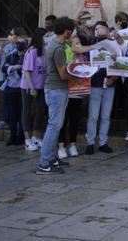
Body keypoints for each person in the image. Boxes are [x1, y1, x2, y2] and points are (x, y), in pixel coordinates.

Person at [36, 16, 75, 175]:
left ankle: (52, 158)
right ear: (66, 31)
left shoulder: (55, 42)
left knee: (56, 125)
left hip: (55, 90)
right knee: (53, 126)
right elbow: (63, 75)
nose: (71, 34)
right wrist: (79, 75)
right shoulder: (58, 49)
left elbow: (75, 48)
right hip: (56, 90)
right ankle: (44, 163)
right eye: (70, 31)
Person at [85, 22, 118, 155]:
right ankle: (90, 142)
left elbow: (120, 63)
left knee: (106, 115)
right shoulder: (91, 44)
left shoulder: (113, 45)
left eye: (100, 28)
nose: (98, 30)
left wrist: (113, 78)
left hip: (109, 84)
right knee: (93, 115)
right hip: (95, 83)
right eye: (96, 28)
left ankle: (103, 142)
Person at [21, 28, 48, 151]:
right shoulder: (31, 52)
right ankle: (27, 140)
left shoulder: (44, 51)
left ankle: (36, 137)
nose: (46, 39)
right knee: (27, 111)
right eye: (45, 36)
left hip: (41, 85)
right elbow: (26, 71)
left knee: (40, 111)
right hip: (29, 86)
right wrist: (31, 87)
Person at [1, 39, 26, 146]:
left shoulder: (26, 56)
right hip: (11, 87)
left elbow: (25, 68)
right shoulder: (11, 56)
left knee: (22, 112)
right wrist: (15, 67)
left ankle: (20, 136)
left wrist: (11, 67)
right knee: (12, 113)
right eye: (18, 42)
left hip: (22, 87)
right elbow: (3, 68)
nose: (19, 44)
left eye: (22, 42)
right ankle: (12, 136)